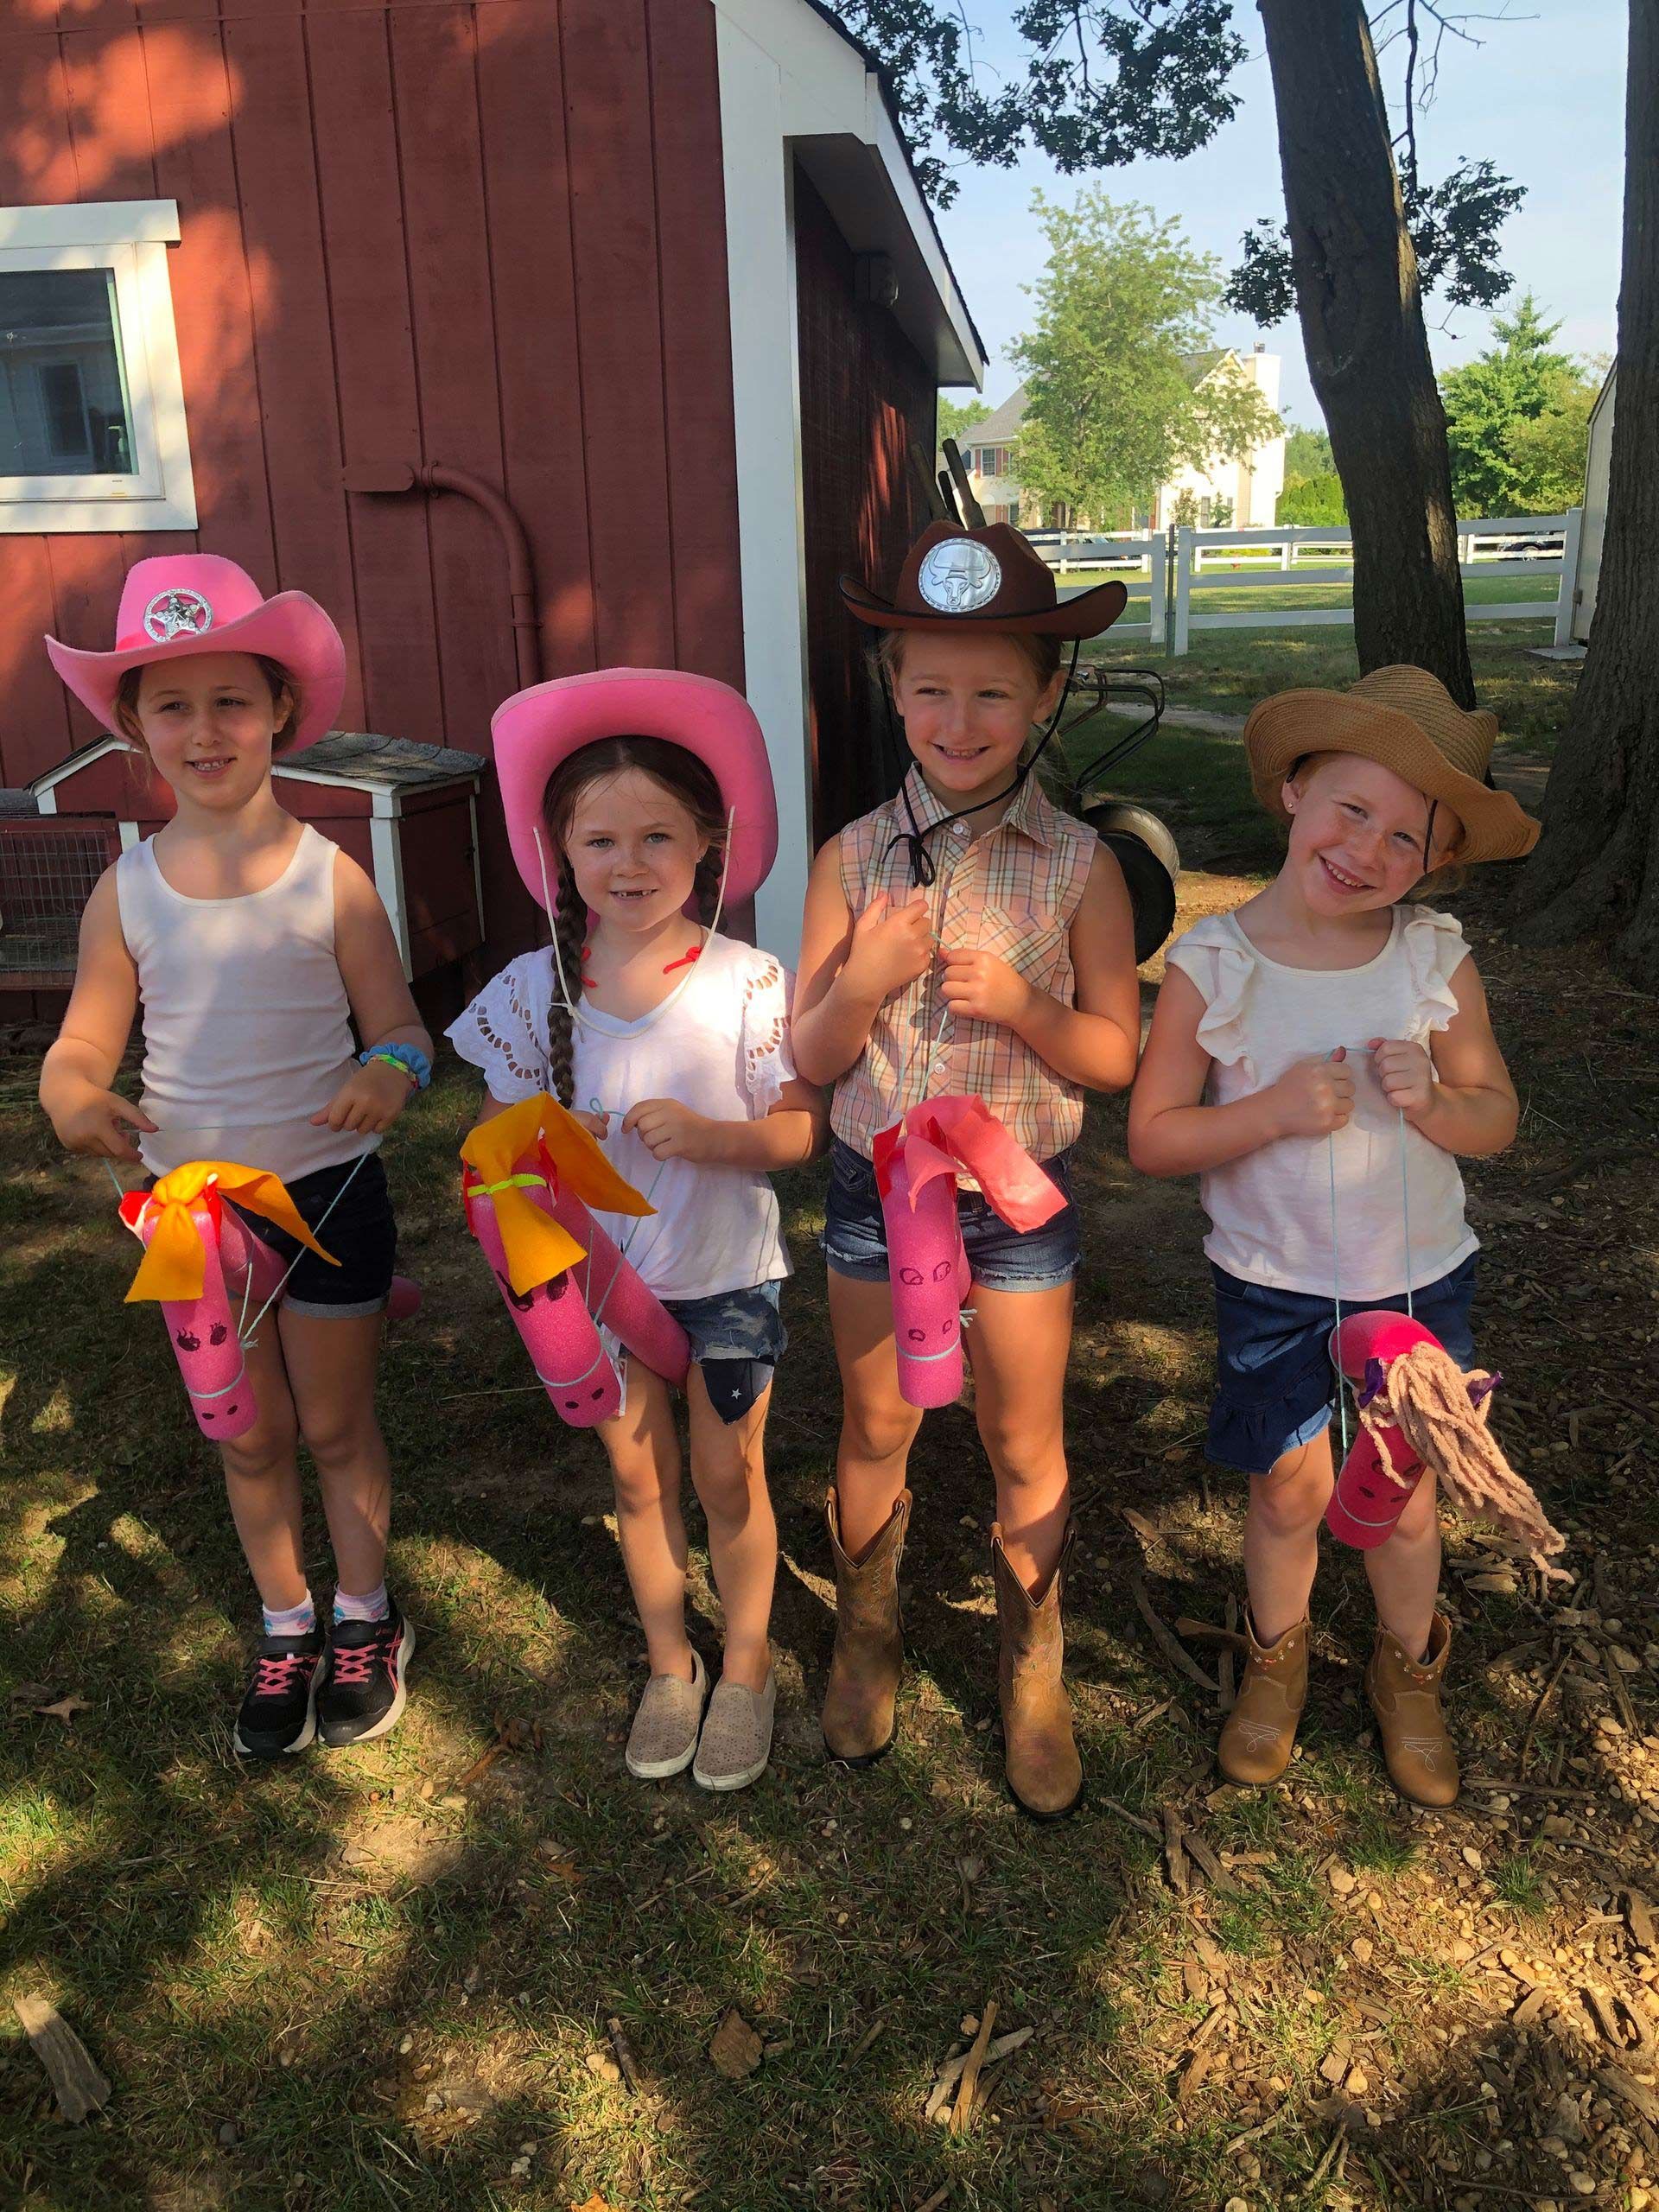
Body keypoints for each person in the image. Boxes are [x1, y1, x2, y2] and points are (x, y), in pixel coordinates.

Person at [1128, 665, 1541, 1806]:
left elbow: (1496, 1117)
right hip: (1272, 1283)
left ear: (1439, 864)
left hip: (1415, 1285)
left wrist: (1436, 1107)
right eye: (1351, 810)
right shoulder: (1218, 963)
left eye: (1407, 839)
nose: (1369, 851)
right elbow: (1155, 1137)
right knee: (1289, 1489)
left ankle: (1409, 1675)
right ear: (1296, 791)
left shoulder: (1431, 960)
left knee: (1406, 1491)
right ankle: (1278, 1661)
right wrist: (1264, 1112)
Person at [40, 555, 430, 1758]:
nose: (205, 730)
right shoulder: (128, 891)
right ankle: (284, 1618)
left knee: (332, 1426)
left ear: (280, 716)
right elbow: (79, 1046)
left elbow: (407, 1031)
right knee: (243, 1434)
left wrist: (388, 1076)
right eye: (173, 705)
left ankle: (368, 1615)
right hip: (192, 1217)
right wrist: (72, 1101)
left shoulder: (332, 875)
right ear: (131, 727)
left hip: (326, 1196)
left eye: (231, 702)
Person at [793, 522, 1142, 1819]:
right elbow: (815, 1051)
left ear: (1047, 697)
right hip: (875, 1201)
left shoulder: (1084, 868)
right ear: (892, 690)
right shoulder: (848, 859)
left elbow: (1113, 1052)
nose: (960, 717)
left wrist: (1029, 1011)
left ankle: (1031, 1665)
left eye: (994, 689)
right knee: (879, 1417)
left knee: (1020, 1436)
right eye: (931, 687)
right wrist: (865, 981)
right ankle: (868, 1627)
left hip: (1016, 1210)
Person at [448, 670, 823, 1792]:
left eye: (659, 835)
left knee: (728, 1475)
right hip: (598, 1291)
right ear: (558, 850)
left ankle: (747, 1665)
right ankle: (673, 1663)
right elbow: (490, 1153)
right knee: (635, 1477)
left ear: (710, 841)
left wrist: (720, 1138)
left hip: (724, 1280)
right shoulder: (531, 993)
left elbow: (802, 1130)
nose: (630, 863)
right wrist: (537, 1148)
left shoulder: (751, 984)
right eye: (600, 838)